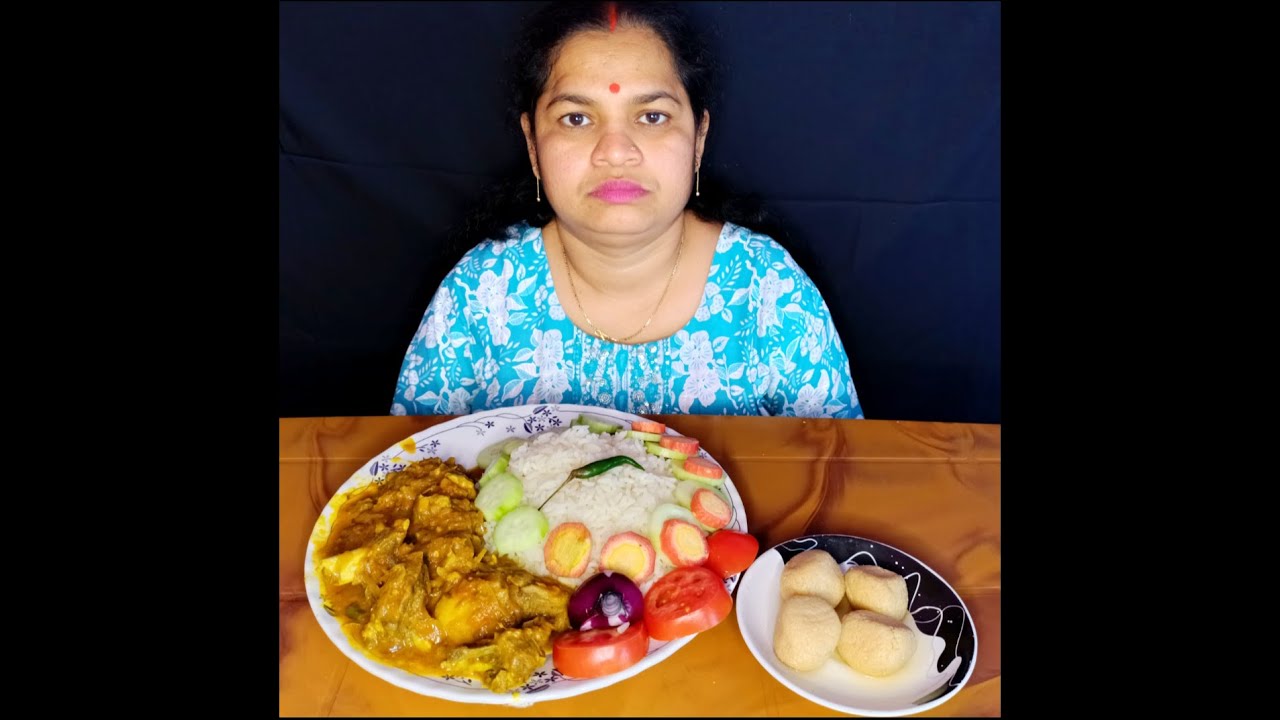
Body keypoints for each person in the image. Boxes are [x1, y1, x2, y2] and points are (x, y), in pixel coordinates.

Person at [392, 1, 862, 419]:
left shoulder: (769, 291)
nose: (615, 152)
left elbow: (839, 472)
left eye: (652, 117)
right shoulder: (481, 293)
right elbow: (408, 478)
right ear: (533, 145)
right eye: (577, 119)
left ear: (698, 139)